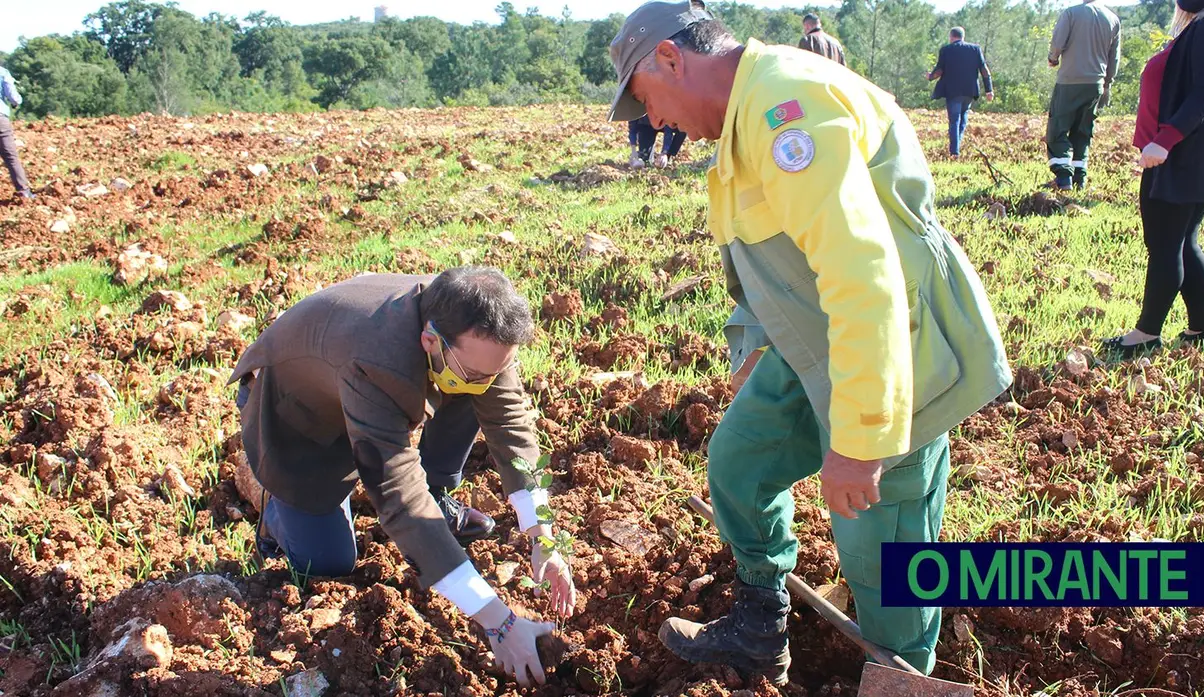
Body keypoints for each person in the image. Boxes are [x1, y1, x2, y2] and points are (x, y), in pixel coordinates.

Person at [606, 1, 1012, 683]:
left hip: (890, 349)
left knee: (882, 543)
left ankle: (903, 675)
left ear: (672, 59)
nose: (653, 122)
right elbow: (768, 254)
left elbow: (862, 274)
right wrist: (755, 343)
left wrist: (857, 441)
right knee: (740, 460)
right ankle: (761, 626)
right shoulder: (742, 124)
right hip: (817, 344)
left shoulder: (784, 108)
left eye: (646, 99)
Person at [228, 267, 577, 687]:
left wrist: (545, 538)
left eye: (496, 370)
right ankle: (276, 516)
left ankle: (441, 497)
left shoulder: (473, 329)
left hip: (374, 383)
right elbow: (399, 498)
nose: (489, 379)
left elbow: (511, 423)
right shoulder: (378, 359)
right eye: (477, 371)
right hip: (299, 418)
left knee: (472, 391)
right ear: (430, 340)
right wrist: (498, 622)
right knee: (329, 562)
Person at [1101, 0, 1204, 358]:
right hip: (1181, 151)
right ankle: (1200, 330)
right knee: (1181, 241)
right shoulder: (1203, 24)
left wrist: (1164, 141)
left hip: (1183, 153)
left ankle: (1146, 334)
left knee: (1164, 243)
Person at [1046, 0, 1121, 190]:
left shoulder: (1071, 13)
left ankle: (1063, 179)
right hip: (1095, 84)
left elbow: (1057, 43)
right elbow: (1114, 58)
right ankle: (1079, 178)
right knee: (1083, 131)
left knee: (1058, 129)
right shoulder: (1113, 19)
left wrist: (1053, 58)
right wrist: (1106, 85)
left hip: (1069, 81)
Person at [927, 27, 994, 158]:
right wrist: (989, 89)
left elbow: (939, 71)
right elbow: (984, 70)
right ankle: (956, 146)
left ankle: (954, 152)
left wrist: (930, 77)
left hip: (952, 92)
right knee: (963, 119)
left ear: (951, 37)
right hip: (969, 91)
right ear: (963, 36)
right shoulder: (975, 49)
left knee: (954, 120)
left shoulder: (946, 50)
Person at [0, 64, 33, 199]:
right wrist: (17, 102)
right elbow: (14, 98)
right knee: (10, 156)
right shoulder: (2, 72)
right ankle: (24, 191)